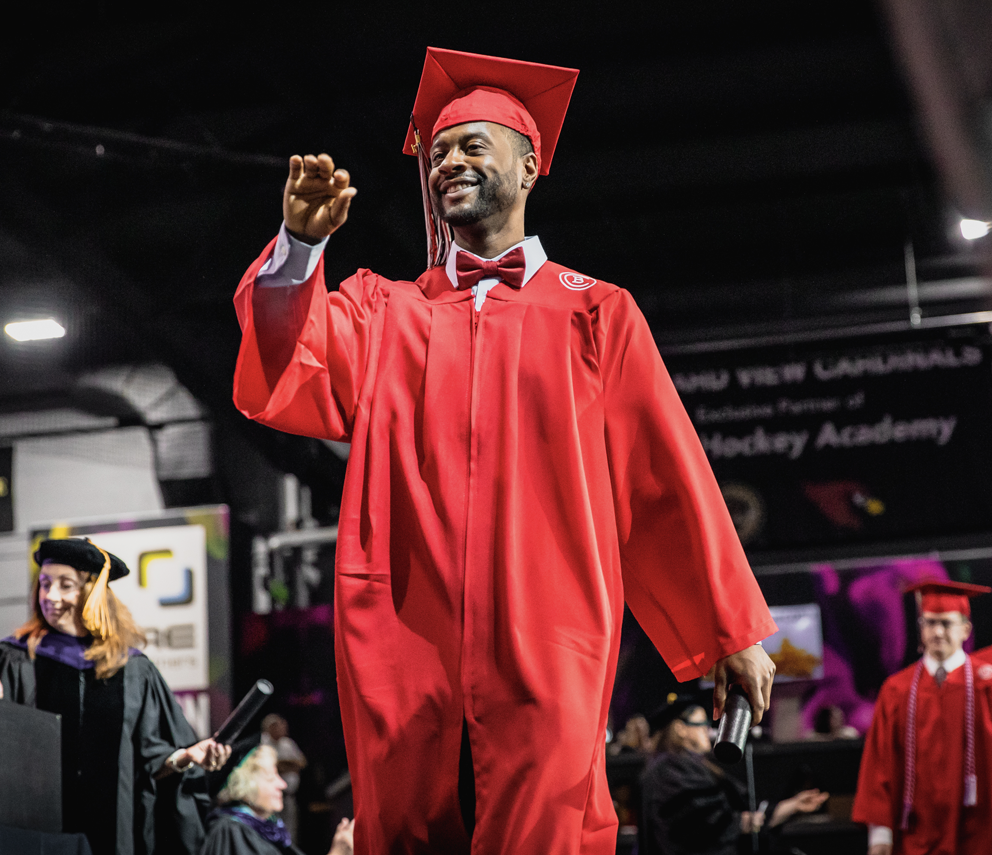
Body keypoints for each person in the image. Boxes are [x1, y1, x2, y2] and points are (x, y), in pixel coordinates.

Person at [232, 46, 777, 854]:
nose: (448, 161)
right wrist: (300, 249)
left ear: (529, 167)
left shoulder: (597, 313)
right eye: (440, 151)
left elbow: (664, 475)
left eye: (472, 146)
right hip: (403, 624)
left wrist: (730, 629)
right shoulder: (385, 311)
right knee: (405, 823)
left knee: (544, 822)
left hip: (546, 625)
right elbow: (292, 358)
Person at [0, 536, 230, 855]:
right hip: (35, 839)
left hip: (115, 839)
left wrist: (186, 756)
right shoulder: (16, 659)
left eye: (65, 585)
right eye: (44, 583)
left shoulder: (133, 671)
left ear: (92, 593)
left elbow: (149, 759)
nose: (50, 596)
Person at [853, 579, 992, 855]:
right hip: (918, 831)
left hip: (978, 831)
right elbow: (879, 763)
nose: (937, 631)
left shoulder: (985, 684)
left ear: (965, 629)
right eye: (929, 623)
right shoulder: (897, 689)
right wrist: (879, 835)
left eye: (946, 623)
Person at [640, 695, 828, 855]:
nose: (709, 730)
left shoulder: (689, 766)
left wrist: (792, 806)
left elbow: (727, 819)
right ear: (680, 729)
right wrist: (749, 822)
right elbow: (708, 826)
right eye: (701, 724)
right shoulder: (670, 770)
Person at [204, 744, 354, 855]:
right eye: (271, 777)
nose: (282, 784)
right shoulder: (231, 832)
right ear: (244, 784)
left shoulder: (266, 829)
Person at [260, 714, 307, 842]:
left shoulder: (287, 743)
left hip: (289, 796)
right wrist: (288, 765)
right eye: (277, 726)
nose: (282, 728)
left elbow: (302, 763)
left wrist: (284, 764)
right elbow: (271, 767)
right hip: (270, 798)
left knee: (290, 833)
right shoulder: (263, 743)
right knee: (272, 832)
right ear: (270, 728)